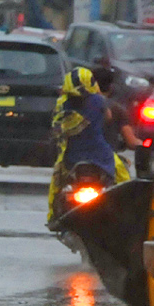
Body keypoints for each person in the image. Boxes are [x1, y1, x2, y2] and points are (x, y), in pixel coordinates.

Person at [46, 67, 131, 223]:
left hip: (70, 156)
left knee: (56, 186)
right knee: (124, 181)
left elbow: (55, 128)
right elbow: (108, 118)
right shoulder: (98, 101)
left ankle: (53, 217)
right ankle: (127, 218)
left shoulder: (62, 103)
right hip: (101, 155)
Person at [91, 66, 146, 174]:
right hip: (106, 163)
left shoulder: (75, 105)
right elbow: (131, 141)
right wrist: (143, 145)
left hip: (77, 162)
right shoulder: (117, 109)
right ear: (111, 87)